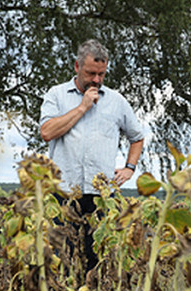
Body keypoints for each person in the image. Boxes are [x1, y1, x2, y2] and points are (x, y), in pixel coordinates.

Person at [39, 39, 145, 272]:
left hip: (100, 197)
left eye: (101, 74)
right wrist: (82, 107)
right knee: (60, 262)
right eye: (90, 73)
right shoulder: (56, 95)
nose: (96, 80)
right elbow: (46, 132)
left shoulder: (117, 101)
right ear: (77, 67)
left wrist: (129, 167)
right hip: (62, 195)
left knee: (95, 265)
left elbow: (137, 137)